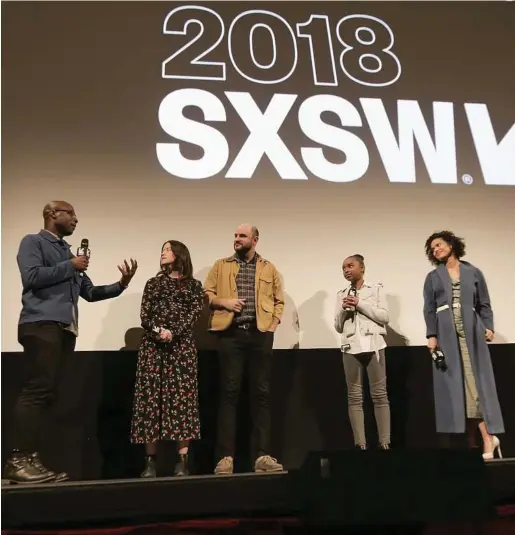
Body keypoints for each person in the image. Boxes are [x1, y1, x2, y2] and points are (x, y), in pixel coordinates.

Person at [4, 201, 138, 484]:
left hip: (65, 329)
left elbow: (88, 292)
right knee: (37, 390)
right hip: (40, 324)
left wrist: (121, 284)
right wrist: (70, 265)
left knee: (48, 394)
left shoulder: (67, 252)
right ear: (53, 214)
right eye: (71, 214)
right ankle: (17, 460)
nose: (76, 219)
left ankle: (32, 460)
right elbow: (31, 277)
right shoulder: (33, 242)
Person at [204, 224, 284, 475]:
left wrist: (272, 325)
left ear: (255, 240)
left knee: (261, 394)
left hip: (260, 336)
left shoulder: (268, 267)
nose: (236, 240)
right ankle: (225, 457)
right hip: (231, 335)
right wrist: (223, 302)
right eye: (235, 236)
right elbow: (206, 293)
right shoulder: (221, 265)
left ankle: (262, 456)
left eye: (242, 236)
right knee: (229, 394)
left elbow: (279, 300)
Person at [423, 231, 504, 459]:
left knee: (473, 385)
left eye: (438, 245)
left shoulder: (473, 272)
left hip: (472, 333)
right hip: (447, 334)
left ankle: (487, 438)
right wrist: (431, 334)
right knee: (456, 389)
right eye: (432, 248)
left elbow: (484, 304)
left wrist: (488, 326)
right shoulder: (432, 276)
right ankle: (475, 443)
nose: (435, 249)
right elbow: (429, 308)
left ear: (451, 244)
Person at [130, 240, 204, 477]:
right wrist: (158, 332)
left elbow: (193, 315)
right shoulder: (153, 284)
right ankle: (150, 462)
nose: (163, 253)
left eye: (168, 249)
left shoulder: (193, 286)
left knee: (183, 402)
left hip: (181, 349)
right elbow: (145, 314)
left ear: (180, 254)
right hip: (153, 348)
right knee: (150, 402)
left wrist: (174, 332)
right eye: (162, 249)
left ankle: (181, 461)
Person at [334, 254, 391, 450]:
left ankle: (385, 442)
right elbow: (338, 326)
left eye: (350, 266)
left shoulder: (375, 290)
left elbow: (384, 316)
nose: (346, 270)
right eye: (343, 268)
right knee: (355, 397)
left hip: (374, 345)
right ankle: (361, 444)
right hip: (351, 348)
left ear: (362, 268)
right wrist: (343, 309)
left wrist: (359, 304)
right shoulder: (341, 293)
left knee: (379, 395)